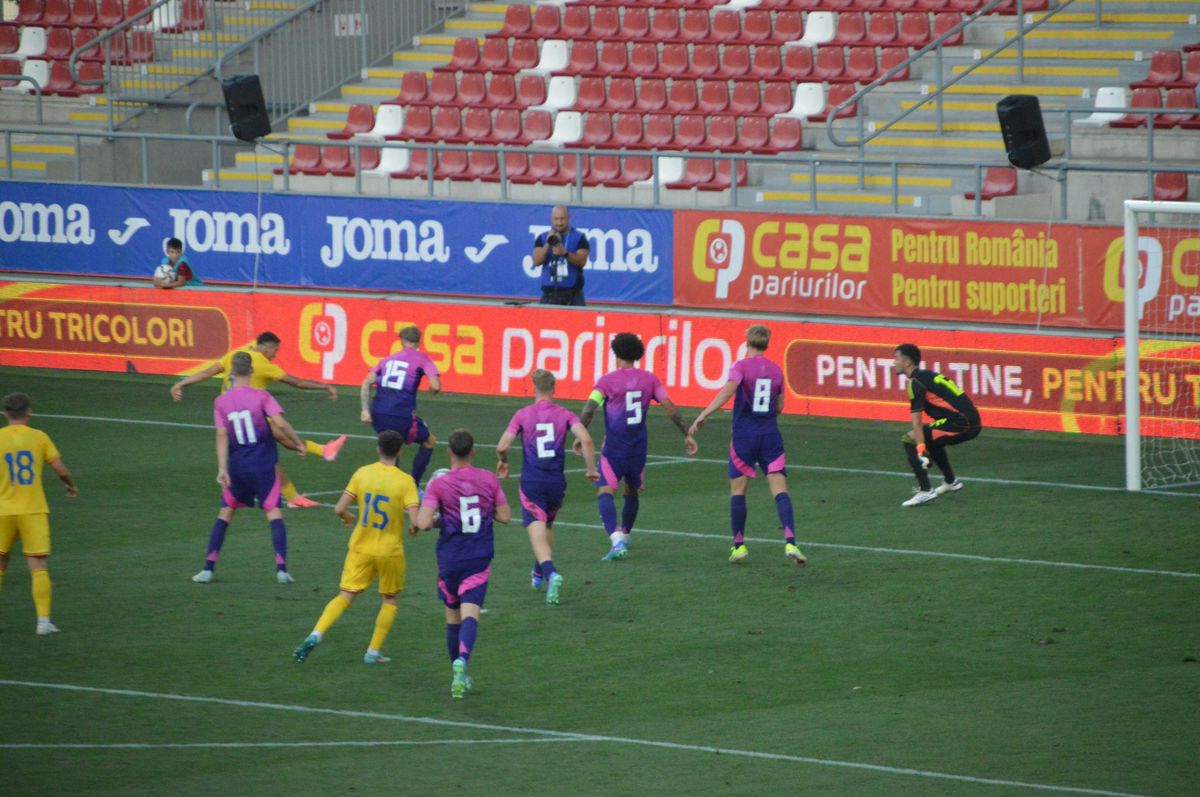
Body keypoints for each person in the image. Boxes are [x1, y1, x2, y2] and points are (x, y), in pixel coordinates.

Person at [170, 331, 345, 508]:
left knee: (272, 453)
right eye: (275, 350)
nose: (275, 355)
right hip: (251, 420)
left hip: (231, 418)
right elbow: (297, 382)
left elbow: (207, 373)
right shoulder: (261, 362)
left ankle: (309, 472)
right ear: (266, 346)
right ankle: (320, 455)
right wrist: (325, 386)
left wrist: (182, 383)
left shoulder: (234, 357)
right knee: (276, 444)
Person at [293, 430, 420, 665]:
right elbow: (415, 521)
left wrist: (347, 518)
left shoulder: (362, 473)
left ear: (377, 449)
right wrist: (414, 529)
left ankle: (315, 634)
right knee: (390, 599)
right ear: (400, 451)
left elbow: (339, 508)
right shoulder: (405, 481)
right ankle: (373, 651)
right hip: (389, 550)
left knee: (345, 595)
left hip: (361, 546)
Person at [689, 325, 806, 567]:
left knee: (739, 492)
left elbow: (726, 393)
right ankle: (791, 541)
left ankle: (739, 545)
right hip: (770, 436)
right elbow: (780, 407)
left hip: (744, 437)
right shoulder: (776, 370)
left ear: (747, 342)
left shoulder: (741, 367)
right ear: (767, 344)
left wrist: (703, 415)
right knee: (780, 491)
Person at [575, 332, 697, 561]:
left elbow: (589, 409)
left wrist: (580, 434)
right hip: (638, 448)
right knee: (631, 490)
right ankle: (627, 534)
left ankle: (616, 539)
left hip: (615, 448)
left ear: (616, 354)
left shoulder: (606, 381)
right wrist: (687, 434)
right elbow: (670, 407)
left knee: (605, 491)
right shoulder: (650, 380)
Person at [194, 352, 306, 584]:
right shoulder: (262, 396)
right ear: (252, 371)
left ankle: (208, 569)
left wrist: (222, 468)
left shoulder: (221, 402)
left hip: (237, 467)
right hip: (264, 466)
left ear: (231, 374)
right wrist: (298, 444)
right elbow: (281, 424)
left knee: (225, 513)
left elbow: (222, 434)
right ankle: (282, 570)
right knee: (273, 513)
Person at [416, 428, 511, 698]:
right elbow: (505, 516)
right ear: (473, 451)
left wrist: (441, 517)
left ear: (449, 452)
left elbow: (422, 523)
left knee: (452, 616)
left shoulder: (439, 484)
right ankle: (463, 660)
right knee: (472, 613)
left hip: (449, 558)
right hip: (478, 556)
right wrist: (485, 509)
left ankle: (458, 671)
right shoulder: (488, 479)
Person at [496, 369, 597, 606]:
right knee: (547, 525)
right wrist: (591, 469)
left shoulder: (523, 415)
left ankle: (550, 573)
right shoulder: (565, 414)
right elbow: (587, 440)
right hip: (556, 483)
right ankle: (538, 571)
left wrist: (504, 462)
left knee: (535, 529)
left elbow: (502, 446)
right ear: (554, 389)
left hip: (533, 481)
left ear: (534, 388)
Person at [0, 392, 77, 635]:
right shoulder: (39, 437)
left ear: (5, 413)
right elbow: (60, 467)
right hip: (33, 511)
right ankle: (43, 622)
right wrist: (70, 485)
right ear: (29, 412)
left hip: (3, 511)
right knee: (38, 565)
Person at [893, 343, 982, 507]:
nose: (894, 362)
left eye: (896, 358)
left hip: (962, 423)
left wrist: (920, 447)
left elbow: (917, 422)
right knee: (932, 436)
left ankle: (926, 491)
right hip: (968, 420)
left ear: (907, 363)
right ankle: (951, 481)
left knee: (908, 438)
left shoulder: (916, 383)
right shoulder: (926, 376)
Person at [360, 325, 441, 487]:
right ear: (419, 342)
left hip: (378, 414)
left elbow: (366, 382)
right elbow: (436, 386)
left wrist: (364, 410)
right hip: (401, 416)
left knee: (391, 450)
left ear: (401, 341)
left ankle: (391, 490)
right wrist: (433, 388)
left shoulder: (387, 359)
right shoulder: (422, 358)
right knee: (429, 441)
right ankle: (413, 487)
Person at [530, 205, 589, 306]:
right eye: (556, 219)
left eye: (562, 219)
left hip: (573, 293)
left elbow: (582, 261)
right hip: (549, 293)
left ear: (568, 218)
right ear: (551, 219)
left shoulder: (579, 237)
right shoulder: (542, 237)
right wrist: (549, 243)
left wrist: (564, 253)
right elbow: (536, 261)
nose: (559, 223)